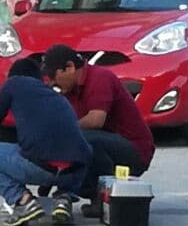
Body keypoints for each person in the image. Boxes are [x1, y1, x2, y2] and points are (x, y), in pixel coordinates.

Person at [0, 56, 92, 226]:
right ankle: (64, 199)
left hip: (40, 167)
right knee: (70, 152)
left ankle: (23, 201)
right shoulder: (57, 97)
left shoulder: (13, 84)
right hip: (74, 171)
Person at [41, 44, 155, 217]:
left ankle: (99, 196)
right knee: (67, 142)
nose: (54, 84)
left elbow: (96, 119)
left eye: (55, 78)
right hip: (106, 145)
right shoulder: (69, 90)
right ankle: (78, 190)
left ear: (70, 67)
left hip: (133, 150)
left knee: (81, 140)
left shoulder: (100, 78)